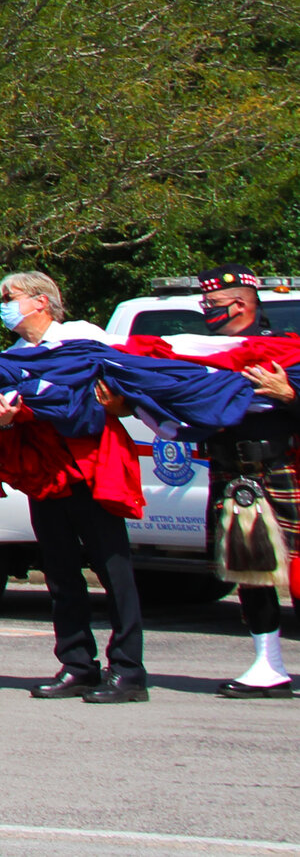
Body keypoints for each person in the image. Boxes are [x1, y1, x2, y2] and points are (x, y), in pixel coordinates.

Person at [0, 270, 147, 703]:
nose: (3, 304)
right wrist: (5, 418)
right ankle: (78, 665)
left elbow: (124, 393)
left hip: (92, 467)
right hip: (45, 475)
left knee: (114, 571)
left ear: (40, 301)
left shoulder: (83, 339)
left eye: (9, 296)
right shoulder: (11, 358)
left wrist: (115, 403)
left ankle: (128, 670)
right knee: (60, 573)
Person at [193, 267, 300, 698]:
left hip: (280, 468)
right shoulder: (201, 354)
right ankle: (267, 664)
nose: (206, 312)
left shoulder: (287, 352)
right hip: (230, 471)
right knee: (250, 570)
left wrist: (289, 395)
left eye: (212, 305)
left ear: (240, 305)